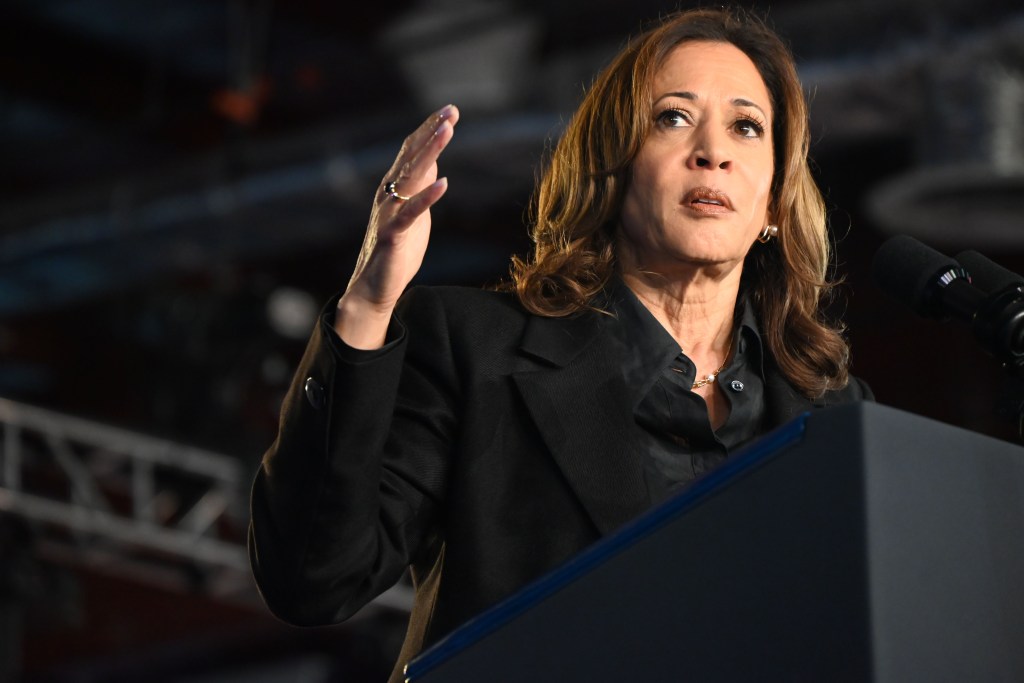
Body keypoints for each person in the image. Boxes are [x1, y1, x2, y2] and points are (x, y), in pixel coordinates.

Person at [248, 7, 872, 681]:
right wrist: (370, 305)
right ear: (615, 167)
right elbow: (313, 578)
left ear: (776, 200)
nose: (713, 151)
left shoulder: (834, 416)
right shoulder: (474, 348)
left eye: (747, 126)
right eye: (673, 117)